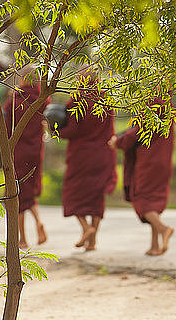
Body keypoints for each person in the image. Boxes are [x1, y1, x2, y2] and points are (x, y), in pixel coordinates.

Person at [58, 70, 117, 251]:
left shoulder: (78, 100)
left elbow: (73, 129)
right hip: (104, 153)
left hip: (81, 155)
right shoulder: (106, 99)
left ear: (82, 79)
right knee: (96, 196)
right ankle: (92, 242)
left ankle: (86, 228)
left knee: (74, 194)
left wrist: (56, 131)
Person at [109, 99, 175, 256]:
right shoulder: (169, 105)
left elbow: (140, 130)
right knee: (152, 200)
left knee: (141, 199)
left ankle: (164, 229)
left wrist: (119, 141)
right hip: (163, 160)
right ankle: (154, 245)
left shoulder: (156, 103)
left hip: (149, 161)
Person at [4, 65, 49, 249]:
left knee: (18, 194)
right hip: (36, 151)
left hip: (18, 151)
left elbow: (6, 130)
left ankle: (22, 238)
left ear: (22, 79)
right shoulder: (43, 100)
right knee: (29, 190)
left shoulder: (13, 102)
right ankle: (38, 221)